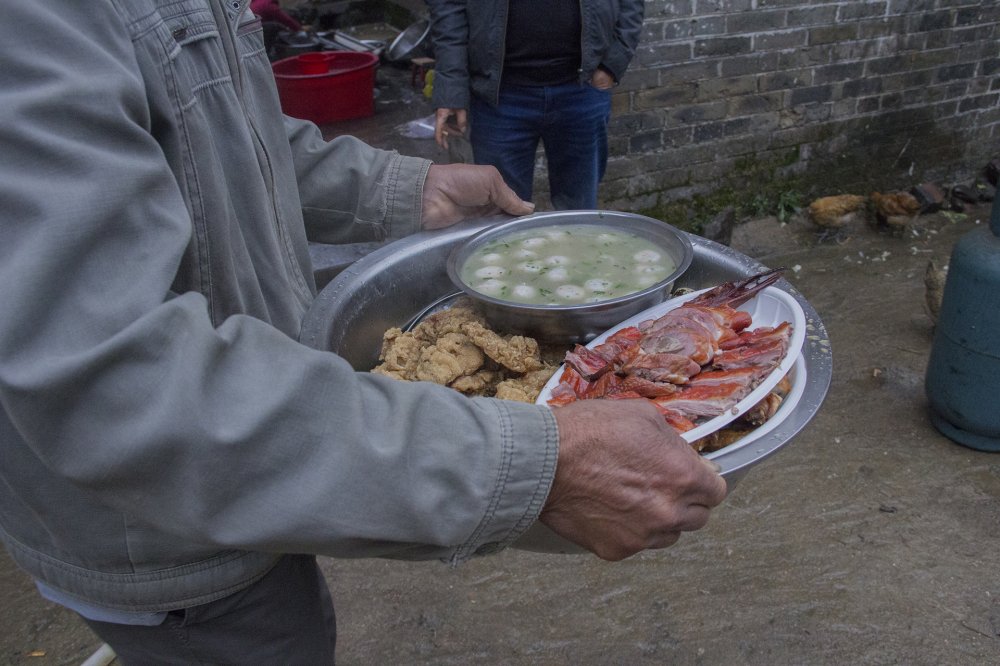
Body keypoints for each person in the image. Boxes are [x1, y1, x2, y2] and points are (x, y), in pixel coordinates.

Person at [0, 2, 726, 663]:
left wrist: (403, 190)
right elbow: (117, 385)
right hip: (169, 538)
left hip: (252, 475)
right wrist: (532, 462)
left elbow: (217, 132)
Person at [428, 0, 645, 210]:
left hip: (581, 91)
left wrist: (613, 63)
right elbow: (449, 7)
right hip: (499, 98)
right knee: (502, 212)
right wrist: (451, 86)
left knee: (580, 214)